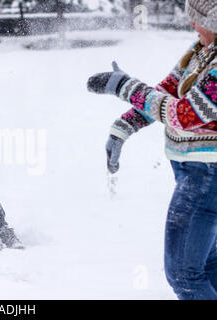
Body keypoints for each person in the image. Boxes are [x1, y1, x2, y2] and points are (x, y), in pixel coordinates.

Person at [87, 0, 217, 300]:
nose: (192, 25)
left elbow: (183, 115)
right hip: (196, 174)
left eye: (199, 20)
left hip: (206, 177)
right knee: (206, 266)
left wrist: (124, 87)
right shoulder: (200, 51)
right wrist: (123, 128)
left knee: (184, 275)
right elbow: (167, 93)